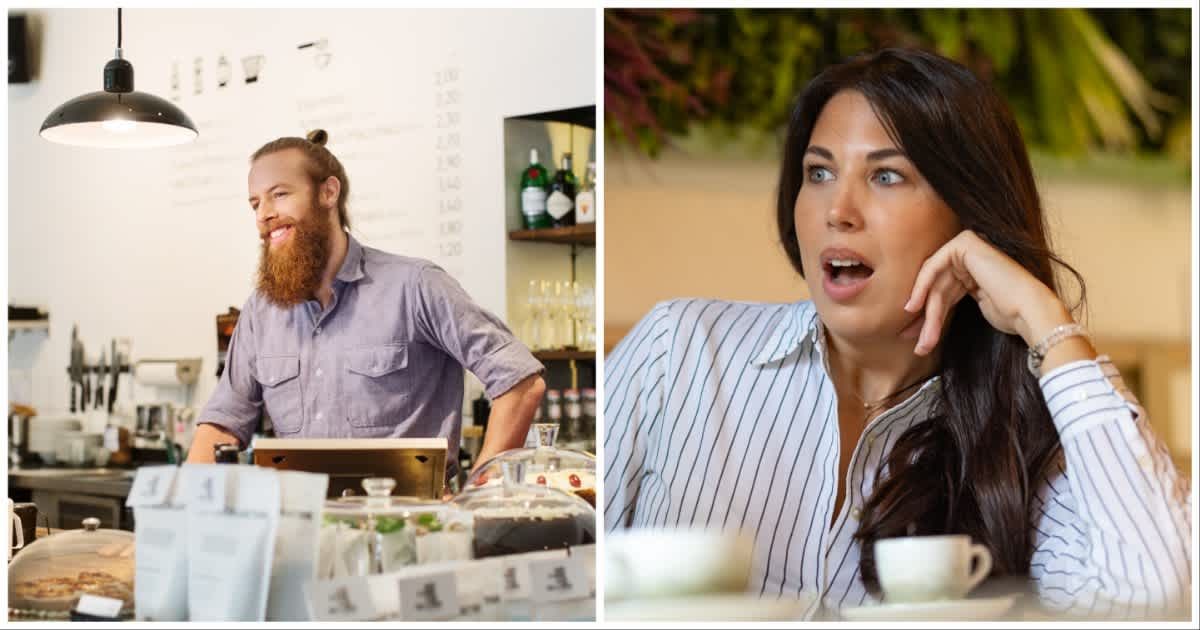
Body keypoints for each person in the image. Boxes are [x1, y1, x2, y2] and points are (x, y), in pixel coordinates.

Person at [604, 48, 1190, 619]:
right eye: (819, 172)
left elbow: (1157, 595)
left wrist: (1048, 323)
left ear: (971, 215)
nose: (839, 209)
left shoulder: (1023, 437)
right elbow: (550, 569)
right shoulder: (676, 351)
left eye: (886, 175)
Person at [188, 130, 546, 484]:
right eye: (255, 203)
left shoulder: (416, 285)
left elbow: (521, 383)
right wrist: (180, 513)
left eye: (279, 195)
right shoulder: (260, 313)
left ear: (328, 192)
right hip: (303, 528)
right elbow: (221, 425)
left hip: (411, 529)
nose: (264, 215)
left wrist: (479, 496)